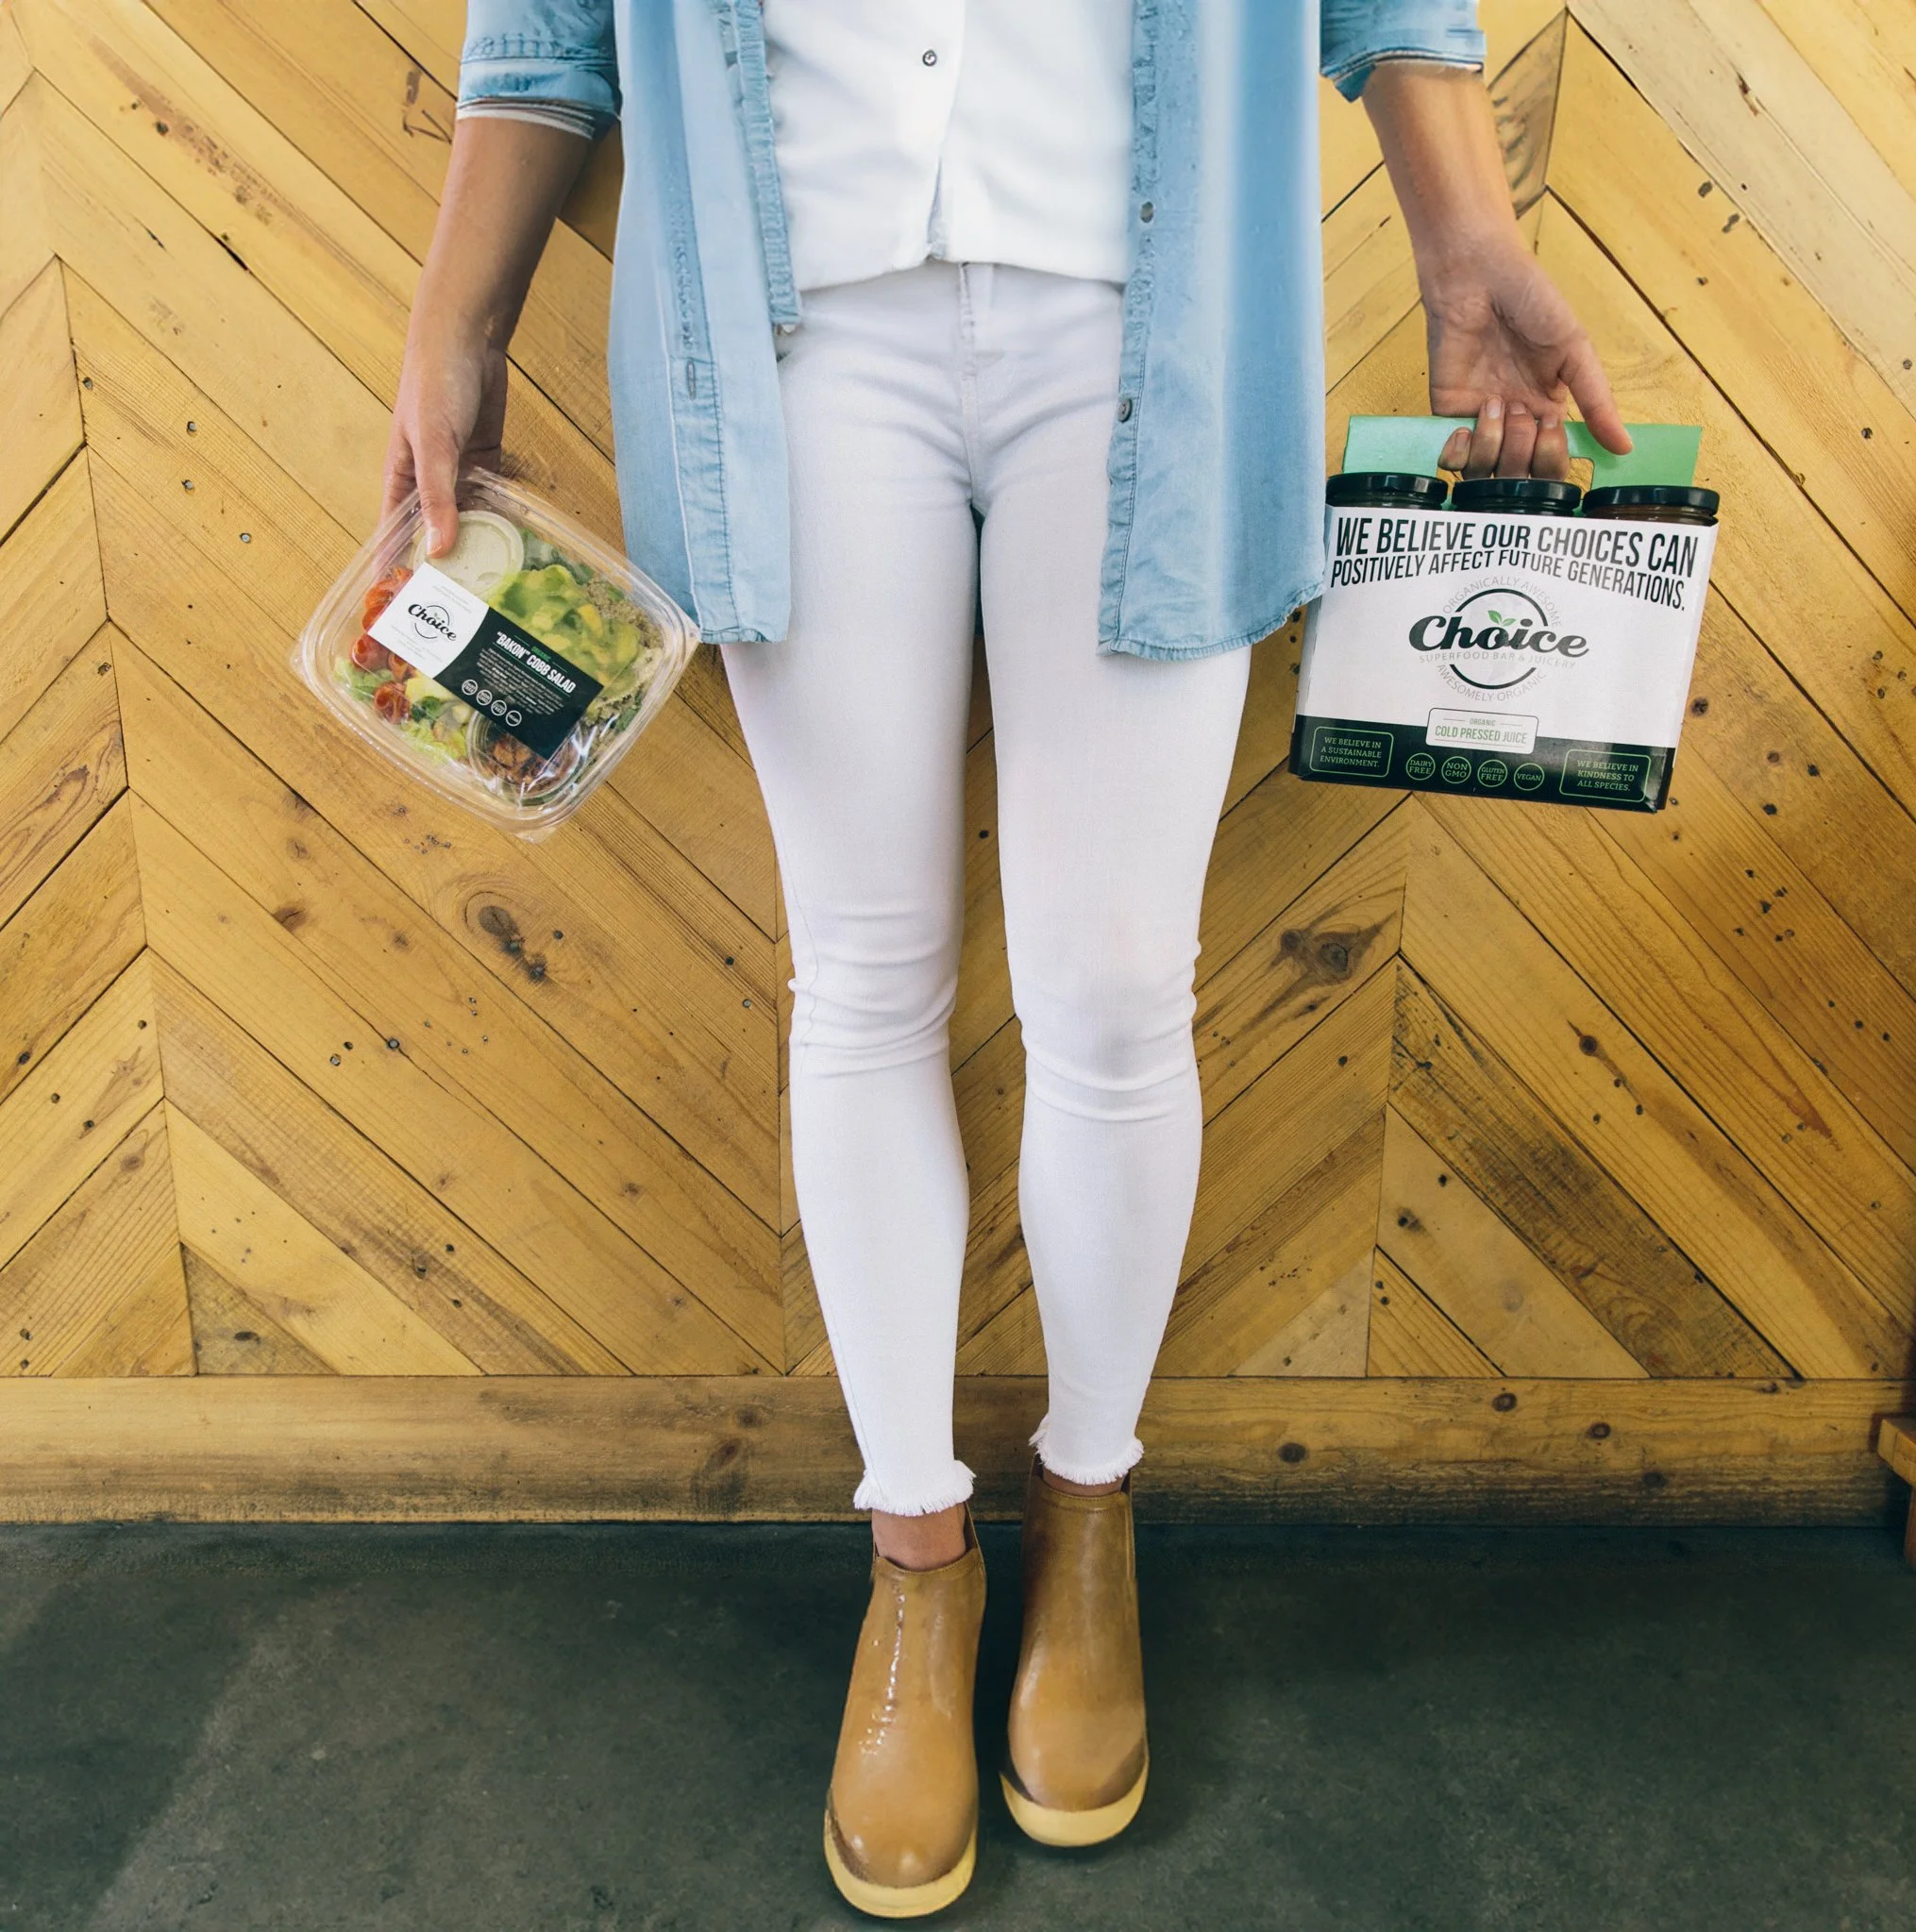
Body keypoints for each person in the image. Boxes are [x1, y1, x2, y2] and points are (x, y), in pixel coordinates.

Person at [386, 3, 1629, 1916]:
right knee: (862, 980)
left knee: (1120, 991)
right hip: (789, 329)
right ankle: (916, 1560)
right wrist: (449, 337)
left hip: (1156, 315)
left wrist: (1465, 237)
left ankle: (1092, 1508)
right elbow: (548, 37)